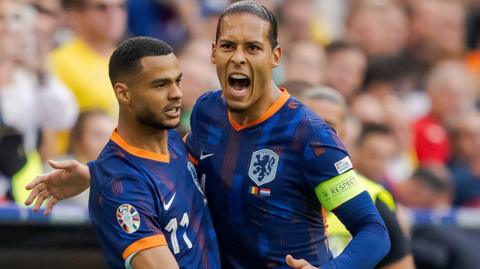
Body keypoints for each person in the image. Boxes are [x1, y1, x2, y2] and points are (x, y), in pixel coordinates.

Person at [26, 1, 390, 268]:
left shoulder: (309, 136)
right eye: (229, 46)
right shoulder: (206, 112)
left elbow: (374, 231)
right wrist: (95, 175)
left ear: (275, 56)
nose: (239, 58)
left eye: (253, 48)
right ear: (213, 53)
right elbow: (170, 171)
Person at [28, 37, 221, 269]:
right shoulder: (121, 186)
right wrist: (100, 176)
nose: (176, 93)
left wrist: (93, 173)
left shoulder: (170, 138)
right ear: (124, 94)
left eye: (177, 81)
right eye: (160, 85)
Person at [302, 86, 414, 269]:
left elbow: (401, 265)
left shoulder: (372, 196)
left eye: (328, 125)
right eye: (310, 123)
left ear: (344, 134)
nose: (317, 133)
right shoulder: (269, 186)